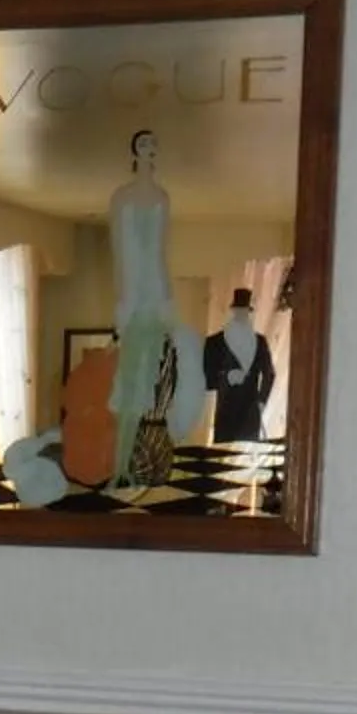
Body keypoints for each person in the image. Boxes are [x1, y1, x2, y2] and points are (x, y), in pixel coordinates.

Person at [106, 130, 206, 484]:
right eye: (146, 143)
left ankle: (135, 465)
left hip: (156, 294)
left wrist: (168, 300)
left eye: (154, 143)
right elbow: (119, 252)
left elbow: (161, 252)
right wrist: (122, 302)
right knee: (130, 383)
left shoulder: (163, 197)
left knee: (153, 380)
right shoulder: (121, 197)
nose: (151, 148)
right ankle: (119, 468)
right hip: (134, 297)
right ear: (135, 149)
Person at [203, 285, 277, 443]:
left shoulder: (260, 342)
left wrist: (261, 403)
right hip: (226, 413)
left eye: (244, 312)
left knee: (246, 453)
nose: (241, 316)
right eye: (238, 312)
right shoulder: (215, 343)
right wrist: (226, 377)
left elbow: (269, 374)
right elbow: (206, 378)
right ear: (233, 312)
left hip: (250, 413)